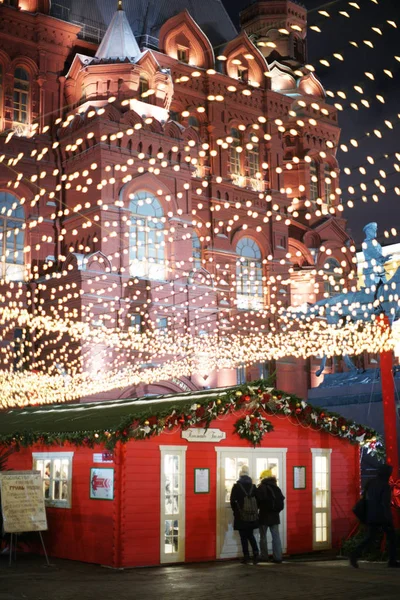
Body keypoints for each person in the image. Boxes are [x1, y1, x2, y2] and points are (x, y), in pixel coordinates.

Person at [350, 463, 399, 568]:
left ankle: (354, 554)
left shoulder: (371, 482)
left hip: (371, 515)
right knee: (392, 538)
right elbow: (385, 503)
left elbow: (365, 498)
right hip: (382, 516)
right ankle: (392, 561)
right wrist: (389, 517)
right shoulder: (385, 486)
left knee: (370, 537)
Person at [230, 465, 260, 564]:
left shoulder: (236, 486)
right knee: (250, 535)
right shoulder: (253, 486)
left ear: (240, 475)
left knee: (243, 536)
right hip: (252, 515)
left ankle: (246, 556)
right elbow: (258, 500)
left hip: (241, 515)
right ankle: (256, 554)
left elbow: (232, 501)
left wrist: (236, 511)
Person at [256, 469, 285, 563]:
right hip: (275, 516)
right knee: (276, 536)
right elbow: (281, 502)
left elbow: (258, 501)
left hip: (264, 515)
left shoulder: (262, 487)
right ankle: (278, 557)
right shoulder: (276, 487)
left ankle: (264, 556)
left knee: (263, 537)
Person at [362, 222, 391, 291]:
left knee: (387, 290)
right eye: (373, 229)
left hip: (380, 271)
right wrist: (383, 258)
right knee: (373, 294)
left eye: (375, 229)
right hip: (371, 272)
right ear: (368, 231)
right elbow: (374, 253)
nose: (375, 231)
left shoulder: (376, 243)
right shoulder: (366, 243)